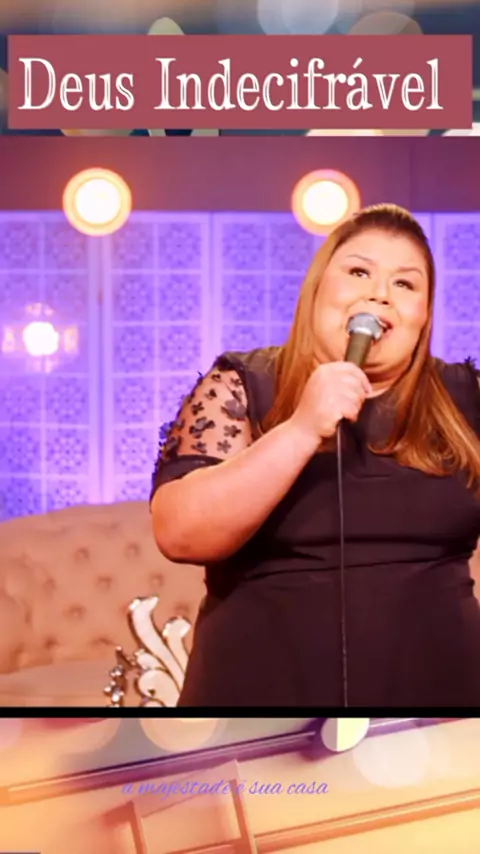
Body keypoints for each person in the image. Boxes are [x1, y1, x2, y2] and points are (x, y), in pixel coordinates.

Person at [149, 203, 480, 707]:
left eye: (405, 284)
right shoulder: (242, 383)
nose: (379, 293)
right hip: (262, 706)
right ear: (317, 290)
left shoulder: (465, 396)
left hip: (438, 708)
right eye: (359, 272)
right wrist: (301, 429)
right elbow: (180, 533)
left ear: (424, 314)